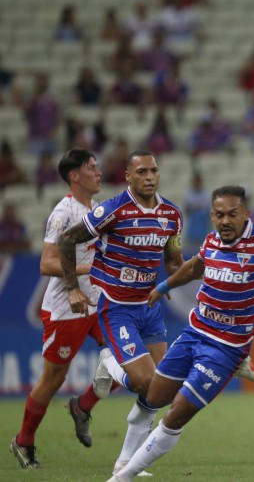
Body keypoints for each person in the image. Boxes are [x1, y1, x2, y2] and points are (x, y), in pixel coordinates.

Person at [108, 185, 254, 481]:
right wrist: (164, 287)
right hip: (194, 332)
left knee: (176, 413)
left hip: (225, 348)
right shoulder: (211, 240)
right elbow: (194, 268)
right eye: (219, 215)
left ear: (245, 214)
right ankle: (122, 457)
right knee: (152, 396)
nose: (225, 221)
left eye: (232, 214)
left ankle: (121, 478)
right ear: (212, 216)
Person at [58, 150, 185, 476]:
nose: (149, 177)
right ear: (128, 175)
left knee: (163, 388)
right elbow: (67, 239)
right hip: (117, 309)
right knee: (144, 381)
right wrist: (73, 287)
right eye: (142, 171)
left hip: (150, 307)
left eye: (154, 170)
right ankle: (109, 363)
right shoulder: (112, 210)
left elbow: (173, 259)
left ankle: (125, 462)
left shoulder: (171, 214)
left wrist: (175, 279)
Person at [9, 150, 111, 469]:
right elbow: (47, 262)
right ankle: (23, 442)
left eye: (97, 166)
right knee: (52, 380)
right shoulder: (63, 213)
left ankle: (83, 406)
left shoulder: (96, 209)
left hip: (97, 302)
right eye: (91, 168)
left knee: (130, 359)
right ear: (74, 176)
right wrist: (85, 271)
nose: (98, 171)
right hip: (67, 308)